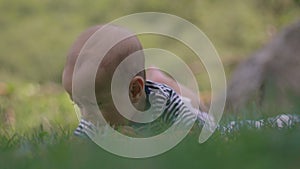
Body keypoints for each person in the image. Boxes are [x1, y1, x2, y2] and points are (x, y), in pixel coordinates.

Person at [62, 24, 210, 138]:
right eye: (79, 104)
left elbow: (198, 132)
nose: (86, 115)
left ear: (134, 91)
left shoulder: (164, 103)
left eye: (98, 104)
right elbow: (78, 147)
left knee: (197, 106)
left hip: (188, 107)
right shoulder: (92, 119)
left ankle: (161, 79)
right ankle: (154, 76)